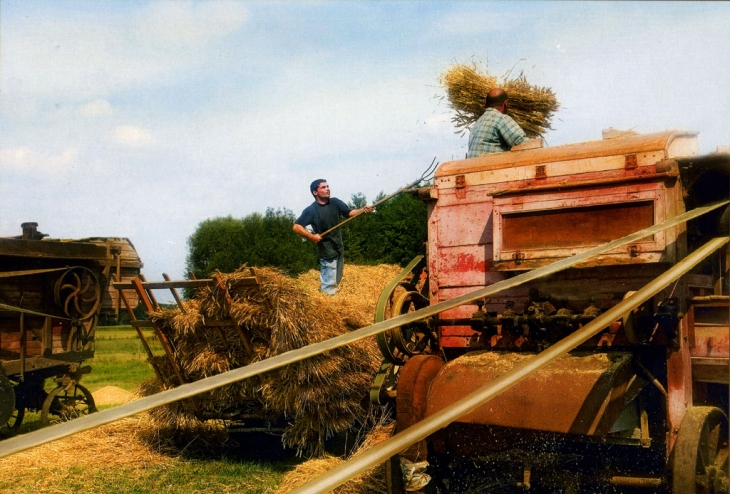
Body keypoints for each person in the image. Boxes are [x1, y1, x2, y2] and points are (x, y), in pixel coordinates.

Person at [293, 179, 373, 295]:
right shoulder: (311, 210)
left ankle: (326, 295)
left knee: (336, 278)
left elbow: (349, 213)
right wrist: (311, 237)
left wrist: (362, 210)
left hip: (338, 247)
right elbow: (296, 226)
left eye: (328, 186)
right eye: (323, 187)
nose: (328, 189)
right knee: (330, 283)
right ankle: (327, 301)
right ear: (315, 192)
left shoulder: (335, 203)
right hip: (327, 250)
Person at [467, 88, 528, 158]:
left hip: (473, 166)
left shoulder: (477, 123)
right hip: (491, 167)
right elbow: (523, 143)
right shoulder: (501, 119)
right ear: (505, 103)